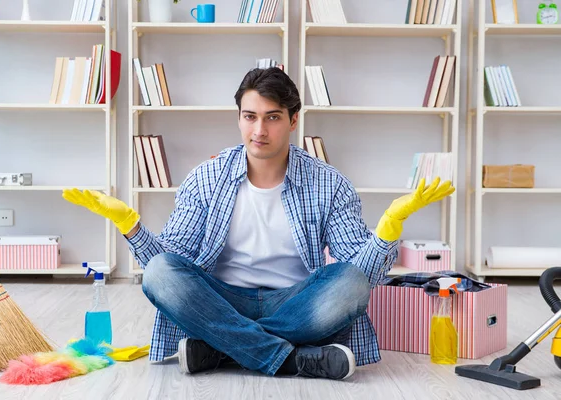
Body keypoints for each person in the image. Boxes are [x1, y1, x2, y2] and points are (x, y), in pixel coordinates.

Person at [62, 67, 454, 380]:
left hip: (295, 301)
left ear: (294, 120)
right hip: (221, 299)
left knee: (348, 284)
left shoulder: (329, 182)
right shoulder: (206, 177)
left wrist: (388, 227)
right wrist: (130, 224)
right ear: (239, 118)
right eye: (250, 117)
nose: (259, 131)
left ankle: (220, 349)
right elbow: (170, 262)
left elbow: (359, 273)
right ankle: (293, 360)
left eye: (272, 118)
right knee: (161, 273)